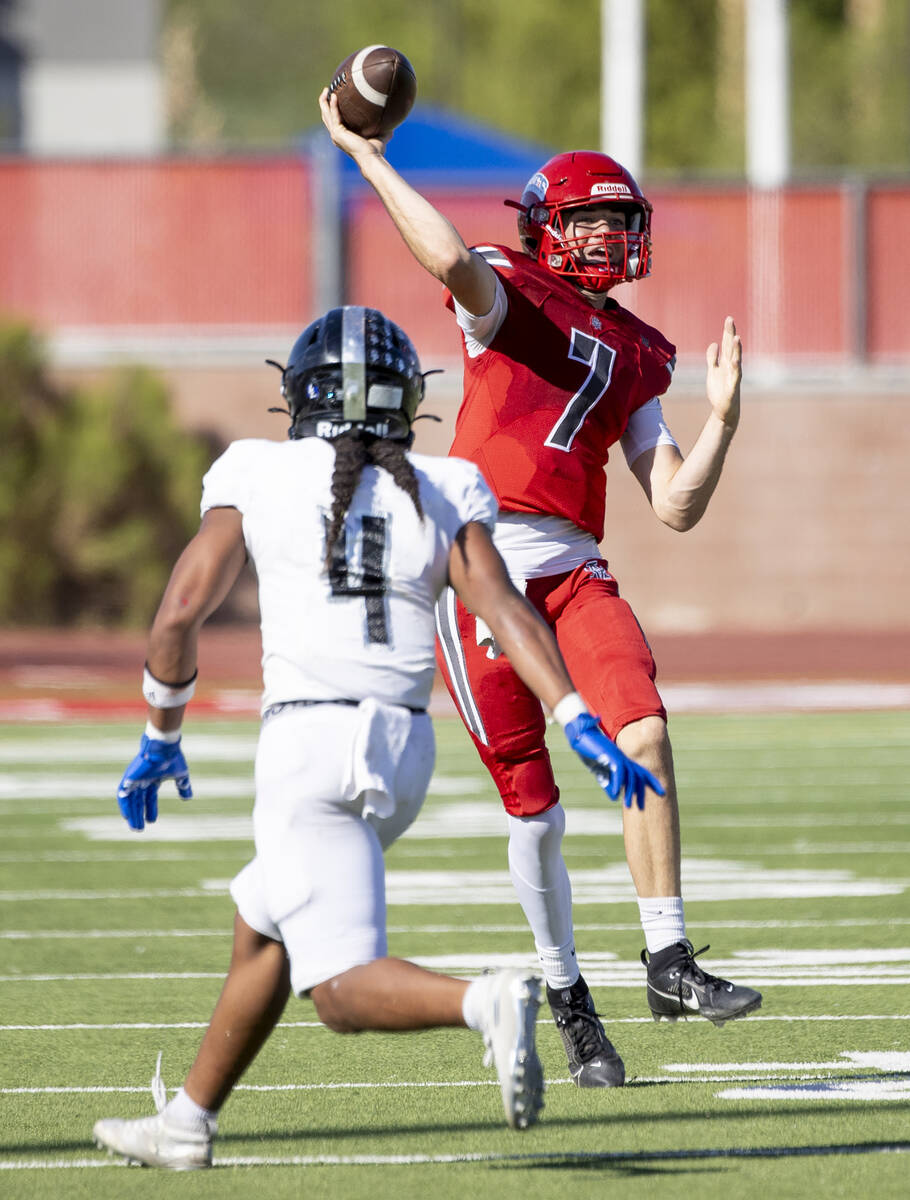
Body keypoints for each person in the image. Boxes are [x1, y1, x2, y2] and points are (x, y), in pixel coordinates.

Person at [92, 305, 663, 1170]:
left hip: (309, 745)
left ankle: (488, 1001)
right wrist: (575, 716)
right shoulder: (447, 483)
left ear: (298, 397)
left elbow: (179, 615)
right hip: (403, 748)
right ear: (407, 402)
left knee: (339, 991)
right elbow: (504, 612)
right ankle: (187, 1123)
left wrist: (160, 730)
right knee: (265, 922)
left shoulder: (254, 469)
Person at [320, 92, 763, 1090]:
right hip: (478, 569)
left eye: (619, 218)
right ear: (545, 229)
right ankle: (571, 1004)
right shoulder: (509, 296)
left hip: (570, 565)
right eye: (588, 219)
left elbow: (675, 506)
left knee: (643, 729)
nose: (607, 235)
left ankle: (667, 959)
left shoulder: (644, 352)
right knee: (536, 812)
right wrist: (370, 158)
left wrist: (726, 419)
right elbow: (444, 260)